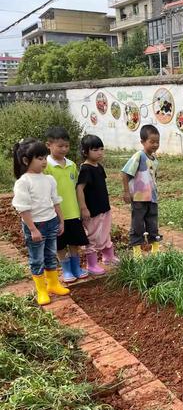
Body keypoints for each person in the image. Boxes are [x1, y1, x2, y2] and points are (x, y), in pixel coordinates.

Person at [12, 139, 70, 305]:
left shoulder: (49, 179)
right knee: (37, 259)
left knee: (51, 255)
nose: (44, 161)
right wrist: (32, 229)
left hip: (51, 222)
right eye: (39, 158)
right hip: (36, 226)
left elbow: (55, 201)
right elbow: (23, 208)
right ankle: (41, 290)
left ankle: (53, 284)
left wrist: (61, 221)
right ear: (25, 160)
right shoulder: (23, 182)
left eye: (45, 157)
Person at [44, 127, 89, 283]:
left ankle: (76, 267)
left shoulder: (71, 165)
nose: (64, 149)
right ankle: (66, 270)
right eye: (60, 146)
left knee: (74, 242)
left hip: (73, 211)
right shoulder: (46, 166)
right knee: (60, 244)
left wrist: (82, 207)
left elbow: (77, 187)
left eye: (67, 146)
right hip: (56, 213)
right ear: (49, 145)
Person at [76, 135, 119, 276]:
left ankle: (108, 257)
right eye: (95, 150)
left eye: (101, 149)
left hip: (104, 208)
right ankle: (92, 264)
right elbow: (79, 188)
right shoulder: (85, 169)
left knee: (106, 233)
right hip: (92, 210)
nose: (100, 152)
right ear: (85, 152)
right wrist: (83, 208)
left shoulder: (98, 167)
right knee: (93, 237)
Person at [121, 124, 161, 257]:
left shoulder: (155, 160)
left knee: (153, 224)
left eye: (157, 142)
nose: (155, 145)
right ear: (143, 142)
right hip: (139, 198)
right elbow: (125, 173)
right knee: (138, 225)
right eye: (152, 142)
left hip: (152, 198)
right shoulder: (139, 156)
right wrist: (127, 192)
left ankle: (155, 252)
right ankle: (137, 254)